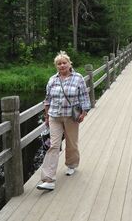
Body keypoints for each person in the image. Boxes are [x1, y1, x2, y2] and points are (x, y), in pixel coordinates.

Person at [36, 51, 91, 191]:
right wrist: (47, 115)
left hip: (71, 116)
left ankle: (71, 165)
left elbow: (84, 97)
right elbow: (47, 99)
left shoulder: (78, 78)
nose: (62, 65)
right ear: (56, 66)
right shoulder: (52, 80)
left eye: (64, 63)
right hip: (55, 116)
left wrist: (84, 112)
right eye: (59, 64)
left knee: (71, 143)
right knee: (53, 145)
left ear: (69, 63)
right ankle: (48, 179)